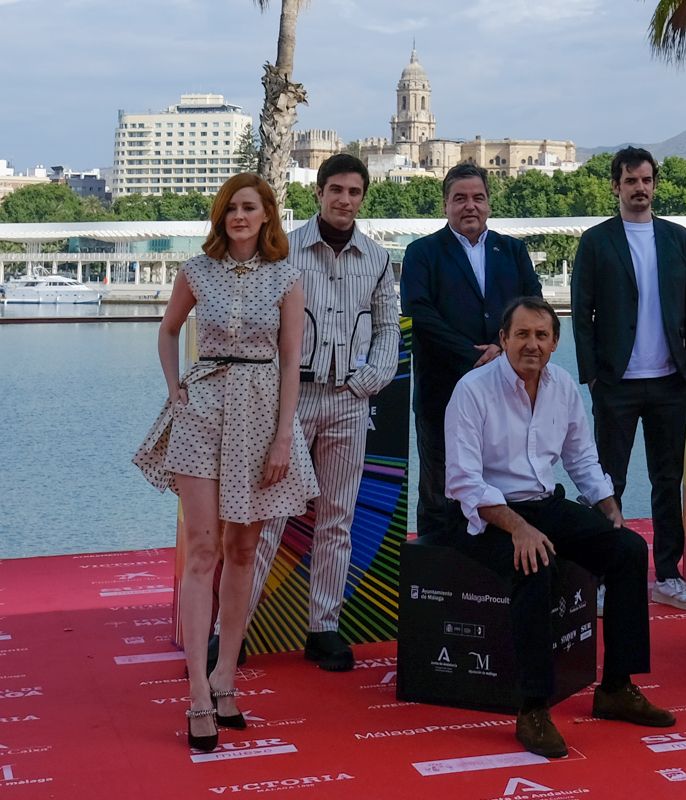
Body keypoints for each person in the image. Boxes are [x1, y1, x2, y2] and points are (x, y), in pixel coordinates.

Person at [442, 296, 675, 758]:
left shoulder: (562, 385)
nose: (532, 344)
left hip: (545, 504)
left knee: (627, 549)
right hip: (485, 513)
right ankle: (532, 707)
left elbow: (581, 458)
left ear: (554, 342)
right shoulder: (472, 390)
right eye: (522, 334)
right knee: (535, 561)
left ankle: (615, 687)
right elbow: (464, 481)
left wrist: (608, 506)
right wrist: (518, 529)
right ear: (503, 339)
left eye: (541, 335)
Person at [133, 173, 319, 750]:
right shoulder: (195, 270)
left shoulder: (288, 276)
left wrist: (285, 437)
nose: (239, 216)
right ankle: (195, 697)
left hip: (263, 417)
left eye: (249, 207)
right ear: (221, 216)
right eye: (230, 208)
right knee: (203, 550)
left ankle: (226, 678)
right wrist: (174, 388)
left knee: (243, 550)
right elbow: (167, 332)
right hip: (202, 411)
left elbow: (292, 363)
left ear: (266, 215)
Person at [228, 154, 401, 673]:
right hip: (291, 400)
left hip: (348, 400)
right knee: (267, 517)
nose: (344, 200)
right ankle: (229, 633)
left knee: (337, 518)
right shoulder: (283, 252)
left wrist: (371, 379)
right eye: (336, 190)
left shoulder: (377, 257)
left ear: (362, 197)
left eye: (354, 191)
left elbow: (390, 325)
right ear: (319, 193)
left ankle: (323, 628)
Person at [571, 147, 686, 612]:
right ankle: (603, 577)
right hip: (616, 383)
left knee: (668, 480)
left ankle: (668, 575)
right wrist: (591, 376)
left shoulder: (678, 239)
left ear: (654, 184)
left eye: (647, 180)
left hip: (671, 382)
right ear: (616, 186)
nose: (640, 189)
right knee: (605, 480)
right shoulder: (595, 241)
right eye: (631, 181)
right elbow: (582, 313)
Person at [401, 163, 542, 541]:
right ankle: (433, 578)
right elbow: (420, 313)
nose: (470, 206)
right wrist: (470, 354)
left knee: (501, 483)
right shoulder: (422, 253)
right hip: (441, 392)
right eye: (460, 198)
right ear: (445, 205)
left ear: (489, 204)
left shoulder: (512, 251)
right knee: (439, 487)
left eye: (478, 198)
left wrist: (502, 348)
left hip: (505, 393)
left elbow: (533, 306)